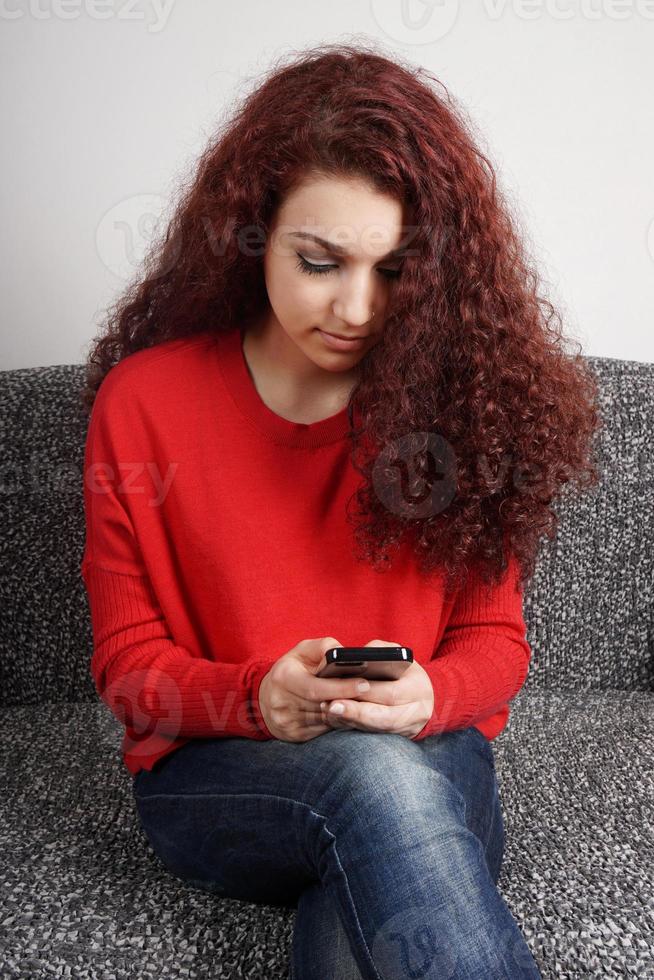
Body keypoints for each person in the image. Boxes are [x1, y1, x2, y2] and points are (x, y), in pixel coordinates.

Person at [80, 42, 601, 980]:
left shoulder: (465, 401)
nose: (356, 308)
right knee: (373, 781)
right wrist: (257, 699)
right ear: (250, 232)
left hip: (430, 760)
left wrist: (430, 697)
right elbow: (127, 671)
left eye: (395, 271)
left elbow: (497, 641)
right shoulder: (144, 403)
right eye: (318, 262)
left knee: (369, 856)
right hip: (220, 782)